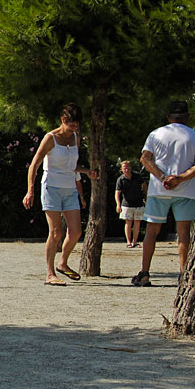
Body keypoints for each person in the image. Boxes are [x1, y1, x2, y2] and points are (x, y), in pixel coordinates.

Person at [23, 103, 99, 286]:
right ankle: (50, 274)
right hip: (51, 187)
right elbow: (34, 165)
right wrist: (30, 190)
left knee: (76, 231)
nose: (75, 128)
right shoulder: (51, 138)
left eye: (77, 125)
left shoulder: (76, 138)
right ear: (63, 120)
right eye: (72, 124)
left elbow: (73, 166)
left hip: (69, 188)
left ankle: (62, 263)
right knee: (56, 232)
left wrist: (86, 172)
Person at [131, 100, 195, 286]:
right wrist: (180, 178)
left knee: (151, 231)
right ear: (187, 117)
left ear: (168, 117)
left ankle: (145, 273)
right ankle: (184, 274)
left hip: (158, 189)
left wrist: (162, 177)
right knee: (183, 233)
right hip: (185, 190)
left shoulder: (156, 134)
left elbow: (145, 159)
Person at [114, 160, 146, 248]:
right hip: (126, 204)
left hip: (138, 203)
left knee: (137, 223)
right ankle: (128, 242)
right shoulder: (120, 179)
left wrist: (145, 196)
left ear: (131, 167)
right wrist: (118, 204)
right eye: (124, 168)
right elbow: (117, 193)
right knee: (128, 223)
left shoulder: (137, 176)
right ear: (121, 169)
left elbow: (144, 185)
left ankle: (135, 242)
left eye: (128, 167)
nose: (126, 170)